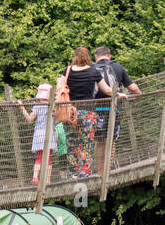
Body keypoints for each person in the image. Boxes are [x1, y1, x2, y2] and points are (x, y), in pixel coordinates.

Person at [57, 46, 113, 179]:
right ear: (88, 57)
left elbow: (59, 87)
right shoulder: (93, 71)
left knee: (72, 143)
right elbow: (106, 90)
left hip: (70, 113)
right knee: (87, 143)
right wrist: (119, 93)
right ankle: (84, 173)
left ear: (75, 57)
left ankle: (72, 174)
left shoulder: (68, 70)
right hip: (88, 113)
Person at [89, 45, 141, 168]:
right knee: (111, 141)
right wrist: (139, 95)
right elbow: (132, 88)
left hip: (95, 110)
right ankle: (108, 169)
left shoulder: (91, 69)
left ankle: (100, 170)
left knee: (99, 141)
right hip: (112, 109)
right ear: (109, 56)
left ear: (96, 57)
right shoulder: (117, 67)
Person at [20, 82, 54, 185]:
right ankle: (47, 180)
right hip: (49, 134)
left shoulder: (37, 106)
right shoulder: (52, 106)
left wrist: (21, 107)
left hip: (39, 135)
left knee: (39, 157)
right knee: (48, 158)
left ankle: (35, 177)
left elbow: (29, 119)